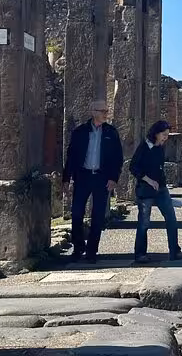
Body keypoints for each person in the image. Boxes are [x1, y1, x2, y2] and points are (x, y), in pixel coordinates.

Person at [62, 100, 123, 264]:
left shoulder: (111, 132)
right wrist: (66, 179)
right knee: (76, 214)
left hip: (102, 178)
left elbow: (118, 158)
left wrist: (113, 178)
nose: (106, 113)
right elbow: (71, 156)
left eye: (106, 110)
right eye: (102, 110)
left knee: (98, 216)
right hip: (83, 176)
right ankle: (78, 247)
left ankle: (92, 251)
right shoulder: (80, 132)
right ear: (93, 111)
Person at [130, 120, 181, 263]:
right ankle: (140, 254)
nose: (166, 137)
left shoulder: (160, 147)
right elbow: (133, 167)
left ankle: (174, 251)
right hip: (145, 190)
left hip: (161, 189)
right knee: (144, 223)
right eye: (164, 135)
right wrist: (148, 180)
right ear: (156, 133)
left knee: (171, 219)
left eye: (167, 135)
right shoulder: (144, 147)